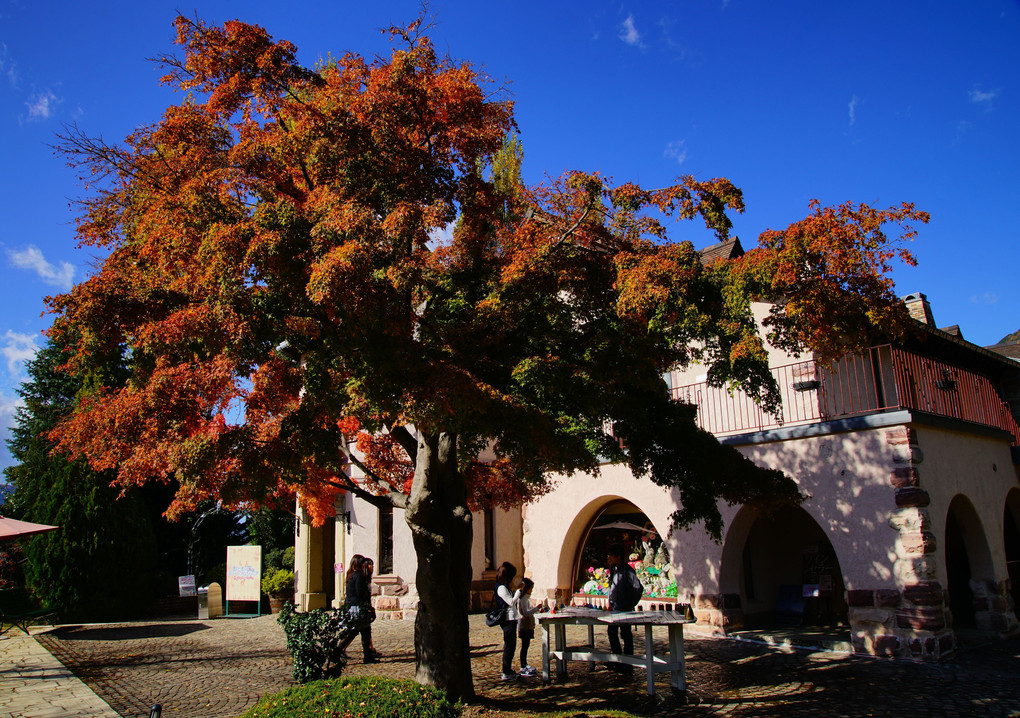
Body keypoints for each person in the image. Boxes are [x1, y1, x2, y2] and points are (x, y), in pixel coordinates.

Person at [606, 542, 642, 673]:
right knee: (612, 632)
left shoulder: (627, 570)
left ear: (618, 556)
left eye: (611, 555)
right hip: (615, 609)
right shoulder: (613, 569)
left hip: (625, 609)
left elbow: (638, 588)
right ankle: (618, 658)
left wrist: (630, 603)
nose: (608, 558)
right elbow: (612, 586)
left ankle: (627, 662)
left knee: (626, 634)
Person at [338, 554, 379, 663]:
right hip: (357, 607)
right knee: (354, 631)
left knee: (365, 631)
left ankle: (368, 656)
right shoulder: (357, 576)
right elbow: (359, 592)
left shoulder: (352, 575)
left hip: (355, 606)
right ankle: (337, 651)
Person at [513, 577, 544, 677]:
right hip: (524, 624)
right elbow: (525, 612)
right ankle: (523, 666)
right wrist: (536, 608)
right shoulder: (523, 599)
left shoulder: (526, 598)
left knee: (526, 645)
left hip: (528, 624)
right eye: (531, 588)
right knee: (525, 645)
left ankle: (524, 664)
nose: (532, 590)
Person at [494, 561, 518, 681]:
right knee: (509, 645)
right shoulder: (502, 588)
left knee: (512, 645)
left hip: (511, 618)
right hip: (507, 619)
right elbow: (511, 602)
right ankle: (506, 671)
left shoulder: (505, 587)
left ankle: (508, 669)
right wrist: (519, 592)